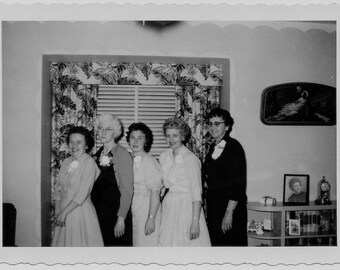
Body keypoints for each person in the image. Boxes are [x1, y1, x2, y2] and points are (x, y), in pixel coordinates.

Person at [158, 117, 211, 247]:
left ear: (182, 136)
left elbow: (196, 193)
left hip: (187, 207)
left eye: (175, 136)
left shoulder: (190, 159)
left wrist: (195, 222)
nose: (171, 140)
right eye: (168, 136)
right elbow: (162, 185)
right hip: (169, 205)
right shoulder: (164, 156)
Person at [51, 126, 104, 247]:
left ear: (86, 145)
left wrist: (64, 213)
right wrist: (58, 211)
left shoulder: (89, 163)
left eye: (79, 142)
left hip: (80, 213)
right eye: (71, 142)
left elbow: (82, 193)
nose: (74, 145)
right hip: (62, 212)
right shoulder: (65, 162)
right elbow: (58, 190)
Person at [202, 108, 248, 246]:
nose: (212, 127)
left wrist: (229, 213)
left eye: (217, 123)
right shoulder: (214, 147)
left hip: (229, 208)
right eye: (210, 124)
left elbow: (237, 185)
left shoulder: (233, 147)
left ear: (227, 126)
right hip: (215, 207)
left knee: (230, 247)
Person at [91, 114, 133, 246]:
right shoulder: (97, 154)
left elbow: (127, 190)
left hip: (116, 212)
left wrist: (121, 219)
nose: (103, 132)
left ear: (115, 132)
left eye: (108, 129)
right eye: (100, 128)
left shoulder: (122, 154)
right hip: (99, 212)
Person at [126, 122, 162, 246]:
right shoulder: (128, 159)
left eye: (140, 138)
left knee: (146, 246)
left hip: (146, 209)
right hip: (134, 209)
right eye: (132, 137)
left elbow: (155, 192)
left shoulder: (149, 161)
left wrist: (151, 218)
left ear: (146, 141)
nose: (135, 141)